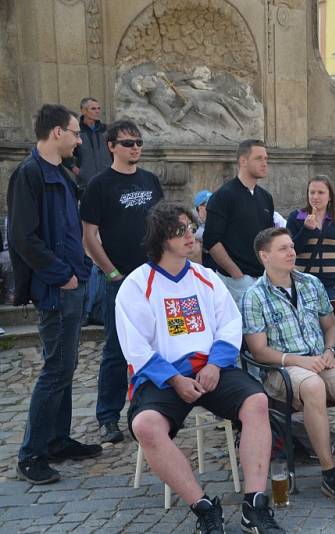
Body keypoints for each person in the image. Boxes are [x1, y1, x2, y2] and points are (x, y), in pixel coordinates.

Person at [116, 202, 284, 533]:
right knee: (147, 426)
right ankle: (204, 507)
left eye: (191, 228)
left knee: (257, 402)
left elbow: (229, 326)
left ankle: (255, 504)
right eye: (181, 230)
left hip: (211, 368)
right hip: (164, 375)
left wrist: (216, 365)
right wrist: (175, 379)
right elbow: (135, 346)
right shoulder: (137, 285)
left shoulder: (206, 278)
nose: (191, 235)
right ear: (162, 238)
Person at [242, 227, 335, 506]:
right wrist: (300, 361)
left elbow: (331, 325)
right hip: (282, 369)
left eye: (291, 247)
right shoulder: (254, 295)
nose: (291, 252)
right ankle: (330, 472)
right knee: (313, 386)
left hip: (320, 360)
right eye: (283, 248)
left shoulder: (310, 283)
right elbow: (259, 350)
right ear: (264, 256)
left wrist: (330, 350)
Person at [8, 104, 101, 484]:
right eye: (76, 133)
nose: (80, 140)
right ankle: (31, 453)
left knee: (65, 366)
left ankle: (57, 439)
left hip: (71, 282)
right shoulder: (29, 174)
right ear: (57, 132)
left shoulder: (59, 173)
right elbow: (22, 237)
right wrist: (62, 275)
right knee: (55, 369)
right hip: (55, 288)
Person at [80, 119, 164, 444]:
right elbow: (89, 236)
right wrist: (111, 272)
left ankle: (146, 412)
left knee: (155, 346)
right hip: (120, 280)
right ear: (111, 146)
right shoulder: (100, 185)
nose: (135, 147)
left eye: (139, 141)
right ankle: (107, 417)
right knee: (117, 349)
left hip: (154, 279)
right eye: (128, 142)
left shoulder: (151, 180)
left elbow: (162, 226)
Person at [203, 139, 274, 310]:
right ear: (243, 161)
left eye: (266, 159)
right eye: (259, 158)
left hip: (264, 278)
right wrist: (236, 274)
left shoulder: (265, 197)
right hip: (237, 281)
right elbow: (211, 240)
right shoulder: (223, 196)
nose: (264, 163)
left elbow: (269, 238)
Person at [287, 176, 335, 300]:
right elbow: (291, 251)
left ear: (330, 197)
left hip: (333, 285)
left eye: (321, 193)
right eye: (312, 192)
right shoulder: (296, 217)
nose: (315, 197)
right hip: (302, 284)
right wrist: (306, 230)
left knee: (333, 319)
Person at [66, 97, 111, 190]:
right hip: (86, 183)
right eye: (93, 109)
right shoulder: (76, 131)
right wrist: (75, 169)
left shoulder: (107, 130)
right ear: (83, 111)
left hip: (108, 180)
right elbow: (64, 152)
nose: (97, 111)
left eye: (98, 108)